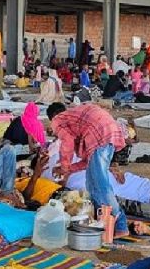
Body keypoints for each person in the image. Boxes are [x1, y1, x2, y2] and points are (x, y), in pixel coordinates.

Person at [48, 102, 130, 239]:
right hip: (107, 131)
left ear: (52, 117)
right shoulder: (76, 124)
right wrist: (68, 169)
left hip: (101, 133)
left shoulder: (57, 120)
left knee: (100, 185)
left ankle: (120, 225)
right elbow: (87, 162)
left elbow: (67, 143)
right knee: (91, 185)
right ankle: (103, 223)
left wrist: (64, 166)